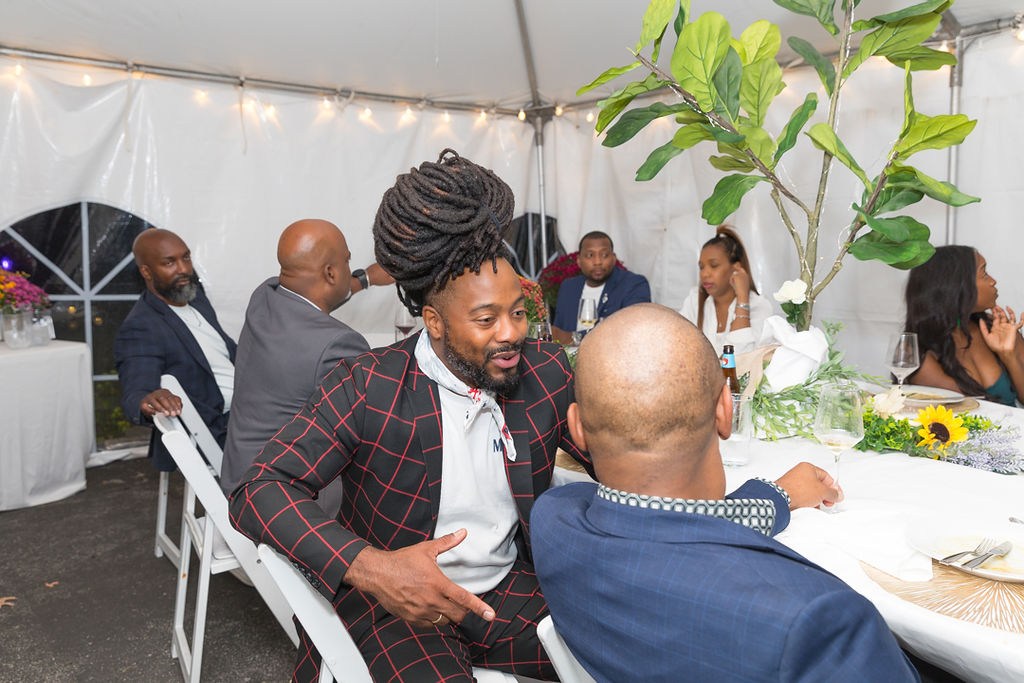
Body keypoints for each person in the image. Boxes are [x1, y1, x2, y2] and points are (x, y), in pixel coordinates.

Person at [229, 149, 587, 682]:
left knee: (629, 657)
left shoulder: (546, 373)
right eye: (486, 319)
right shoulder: (368, 385)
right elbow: (259, 488)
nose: (511, 333)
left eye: (518, 312)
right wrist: (372, 567)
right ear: (434, 322)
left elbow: (619, 447)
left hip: (508, 591)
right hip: (396, 610)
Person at [532, 304, 919, 682]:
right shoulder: (817, 621)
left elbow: (658, 520)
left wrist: (777, 496)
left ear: (577, 427)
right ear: (725, 410)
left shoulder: (553, 520)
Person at [220, 218, 393, 513]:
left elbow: (313, 300)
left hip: (239, 472)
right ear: (330, 272)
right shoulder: (338, 344)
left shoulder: (264, 296)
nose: (349, 266)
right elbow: (376, 426)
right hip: (284, 497)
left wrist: (364, 279)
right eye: (347, 261)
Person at [114, 228, 236, 470]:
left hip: (250, 412)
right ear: (146, 272)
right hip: (218, 430)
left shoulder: (196, 298)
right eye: (169, 262)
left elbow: (223, 355)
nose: (183, 269)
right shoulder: (142, 325)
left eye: (186, 258)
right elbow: (135, 392)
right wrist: (149, 401)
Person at [905, 245, 1024, 406]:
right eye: (984, 273)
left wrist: (1009, 356)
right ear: (955, 286)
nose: (993, 281)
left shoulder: (997, 329)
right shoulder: (921, 353)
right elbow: (969, 413)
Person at [679, 225, 773, 355]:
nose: (705, 274)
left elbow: (741, 360)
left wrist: (742, 300)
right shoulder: (695, 300)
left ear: (736, 269)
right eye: (701, 267)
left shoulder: (759, 306)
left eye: (714, 265)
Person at [551, 230, 650, 344]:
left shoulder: (633, 284)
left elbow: (633, 327)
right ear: (579, 261)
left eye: (604, 255)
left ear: (613, 258)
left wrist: (574, 337)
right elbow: (558, 331)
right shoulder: (569, 287)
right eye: (590, 255)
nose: (597, 261)